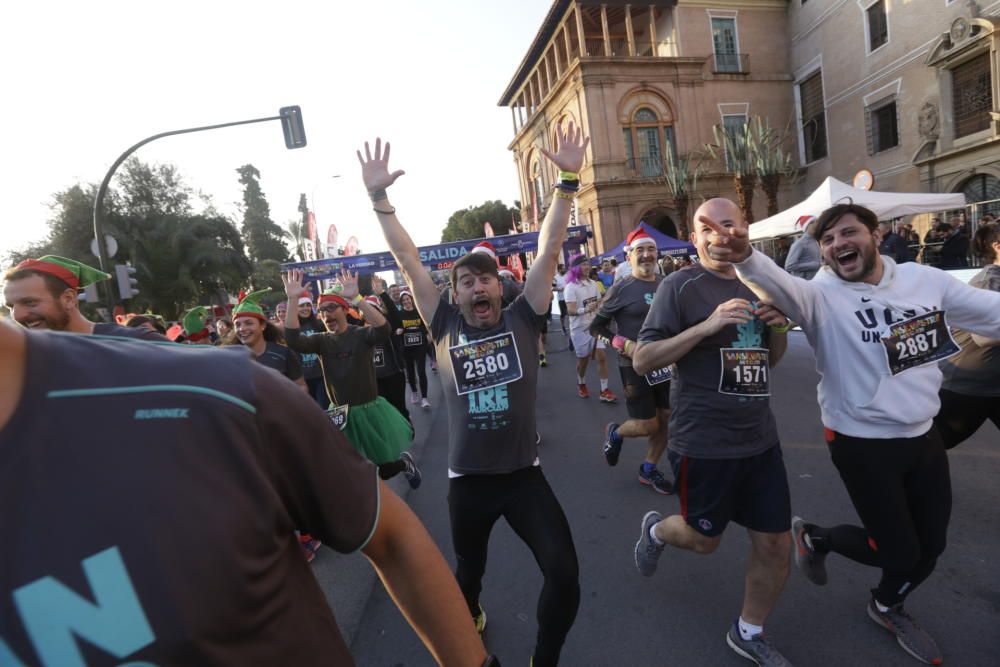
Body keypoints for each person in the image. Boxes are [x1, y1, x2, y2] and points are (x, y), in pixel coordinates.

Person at [0, 319, 492, 667]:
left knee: (375, 469)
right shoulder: (270, 352)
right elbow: (305, 338)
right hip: (331, 422)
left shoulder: (216, 389)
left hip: (347, 413)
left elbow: (394, 539)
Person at [702, 202, 1000, 665]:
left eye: (848, 232)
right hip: (861, 442)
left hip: (923, 435)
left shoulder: (926, 281)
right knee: (899, 550)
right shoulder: (821, 297)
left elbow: (993, 312)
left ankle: (884, 603)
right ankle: (820, 541)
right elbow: (776, 283)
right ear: (823, 253)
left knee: (932, 546)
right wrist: (744, 256)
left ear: (875, 235)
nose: (839, 243)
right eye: (828, 240)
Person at [357, 127, 585, 666]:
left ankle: (543, 661)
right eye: (467, 281)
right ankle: (474, 608)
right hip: (469, 485)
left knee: (566, 575)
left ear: (500, 287)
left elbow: (549, 245)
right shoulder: (442, 326)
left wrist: (568, 183)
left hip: (524, 478)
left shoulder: (524, 317)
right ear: (454, 294)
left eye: (486, 279)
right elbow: (409, 259)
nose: (479, 287)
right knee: (467, 577)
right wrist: (379, 199)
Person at [631, 198, 794, 667]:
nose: (719, 235)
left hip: (760, 439)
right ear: (695, 239)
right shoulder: (679, 287)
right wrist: (707, 326)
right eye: (707, 228)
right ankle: (658, 530)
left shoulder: (764, 281)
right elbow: (643, 360)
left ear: (744, 229)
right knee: (705, 540)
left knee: (775, 540)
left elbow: (771, 362)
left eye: (728, 224)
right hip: (703, 442)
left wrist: (778, 327)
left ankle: (749, 631)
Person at [284, 269, 421, 489]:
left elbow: (383, 329)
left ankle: (403, 464)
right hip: (340, 414)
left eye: (331, 308)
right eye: (322, 310)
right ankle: (372, 509)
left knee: (384, 470)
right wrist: (292, 299)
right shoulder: (320, 341)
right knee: (349, 468)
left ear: (344, 309)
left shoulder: (360, 334)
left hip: (369, 411)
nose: (326, 314)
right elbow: (291, 338)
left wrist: (358, 298)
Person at [589, 228, 673, 495]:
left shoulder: (667, 284)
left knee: (667, 419)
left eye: (651, 250)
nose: (647, 255)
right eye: (640, 251)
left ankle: (649, 468)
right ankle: (616, 433)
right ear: (629, 256)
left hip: (665, 362)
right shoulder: (621, 289)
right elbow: (596, 327)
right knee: (647, 424)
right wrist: (624, 344)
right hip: (634, 365)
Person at [935, 223, 1000, 448]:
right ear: (998, 247)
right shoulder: (990, 282)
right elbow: (983, 337)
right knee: (927, 448)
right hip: (966, 386)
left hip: (993, 382)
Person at [3, 255, 166, 340]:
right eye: (11, 306)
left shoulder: (136, 342)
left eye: (29, 302)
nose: (17, 315)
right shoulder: (23, 363)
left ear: (68, 299)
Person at [564, 254, 617, 402]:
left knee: (602, 356)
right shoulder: (571, 287)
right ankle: (581, 383)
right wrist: (586, 310)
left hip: (595, 327)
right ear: (575, 268)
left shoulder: (593, 284)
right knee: (583, 361)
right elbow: (570, 310)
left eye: (587, 264)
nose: (586, 267)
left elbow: (599, 302)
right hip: (579, 329)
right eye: (582, 265)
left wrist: (602, 306)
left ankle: (604, 390)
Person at [232, 289, 308, 391]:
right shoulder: (230, 358)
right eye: (237, 325)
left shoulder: (283, 353)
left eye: (249, 323)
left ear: (262, 326)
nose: (242, 329)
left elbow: (300, 385)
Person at [292, 291, 331, 408]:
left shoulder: (319, 325)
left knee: (323, 408)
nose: (306, 308)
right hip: (302, 379)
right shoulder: (292, 328)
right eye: (301, 306)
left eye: (308, 305)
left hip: (321, 376)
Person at [399, 290, 432, 409]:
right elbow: (396, 328)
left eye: (408, 299)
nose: (406, 301)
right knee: (410, 372)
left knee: (421, 371)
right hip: (406, 348)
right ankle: (414, 391)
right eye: (404, 300)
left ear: (411, 299)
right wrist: (398, 331)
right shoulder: (400, 314)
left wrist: (428, 334)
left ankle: (424, 398)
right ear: (401, 303)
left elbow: (425, 324)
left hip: (420, 346)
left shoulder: (419, 311)